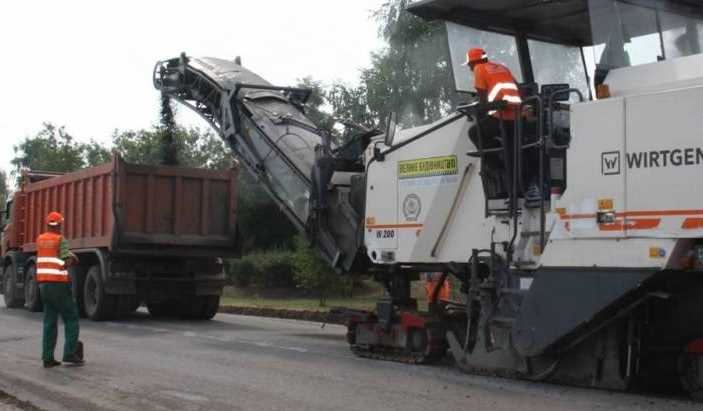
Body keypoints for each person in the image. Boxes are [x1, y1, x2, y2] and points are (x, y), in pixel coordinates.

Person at [465, 48, 541, 202]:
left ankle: (496, 165)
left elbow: (483, 100)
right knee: (512, 151)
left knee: (474, 132)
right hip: (517, 115)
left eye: (469, 65)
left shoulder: (480, 69)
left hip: (503, 115)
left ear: (474, 62)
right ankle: (517, 188)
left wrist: (476, 107)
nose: (469, 68)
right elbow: (517, 89)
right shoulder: (502, 67)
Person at [37, 211, 83, 368]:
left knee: (50, 321)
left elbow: (49, 256)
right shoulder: (60, 240)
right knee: (71, 317)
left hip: (43, 285)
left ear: (47, 224)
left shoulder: (40, 239)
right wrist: (73, 258)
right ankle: (70, 354)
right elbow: (65, 260)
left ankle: (48, 358)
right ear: (60, 225)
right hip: (58, 284)